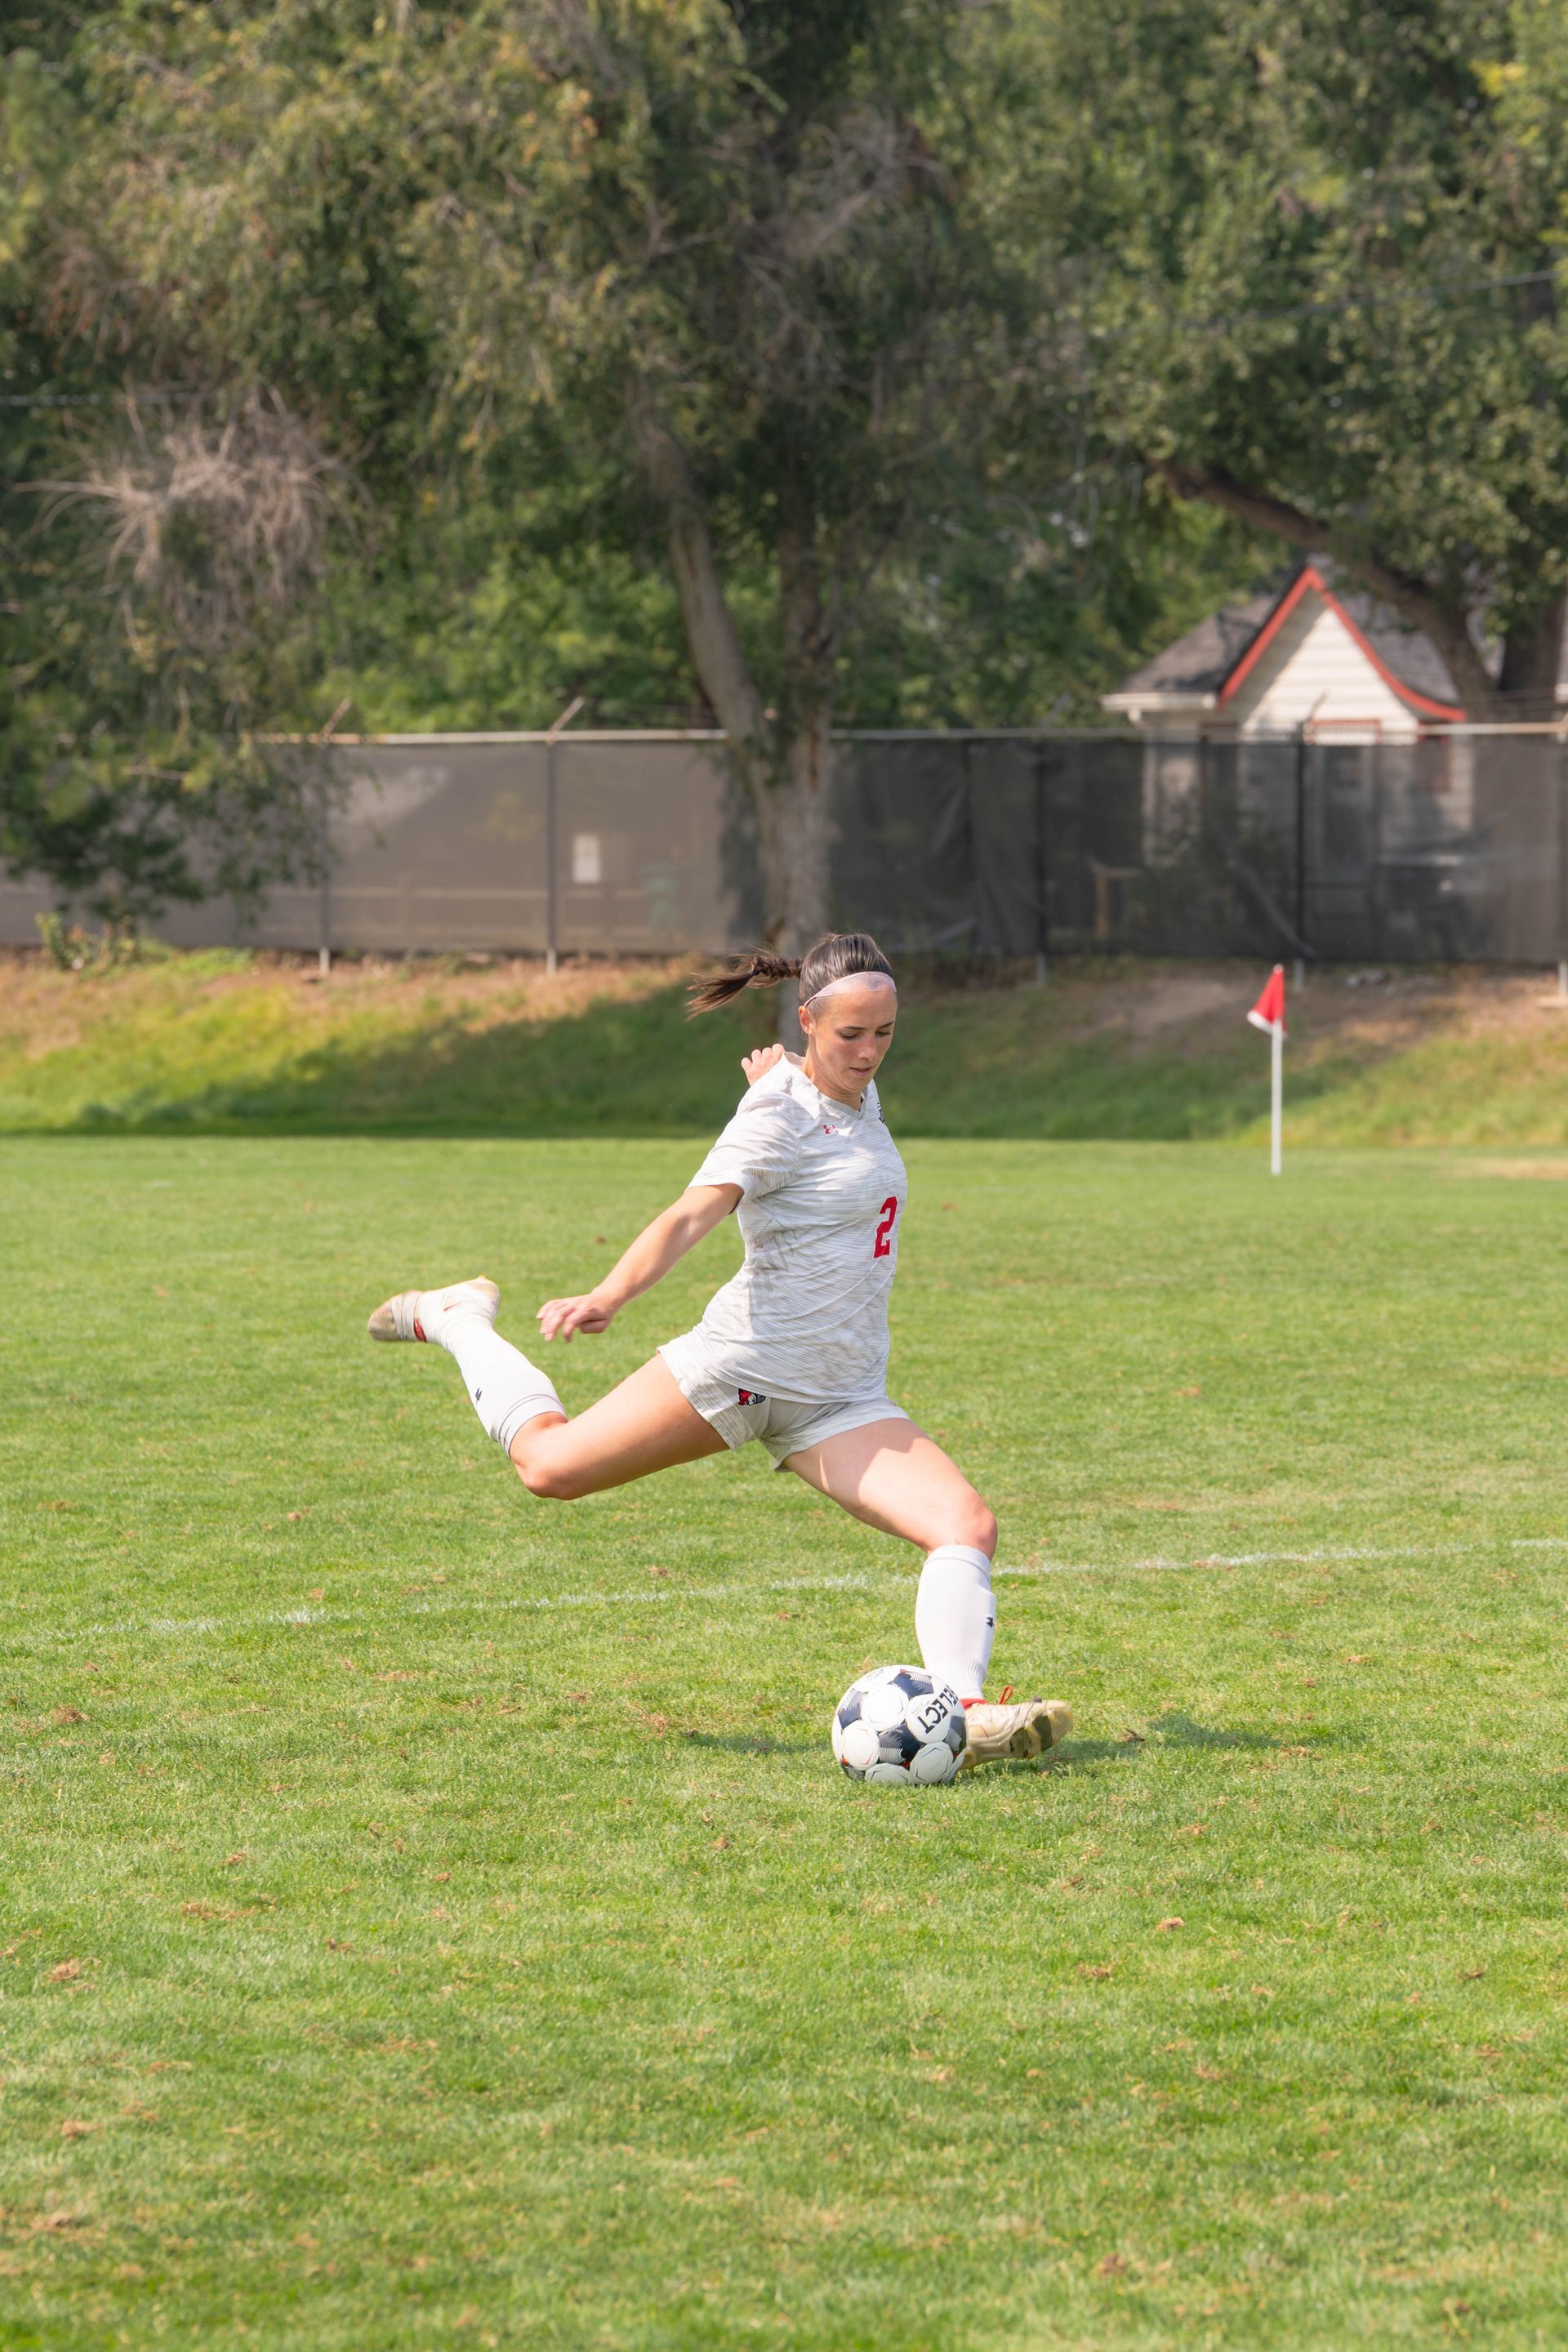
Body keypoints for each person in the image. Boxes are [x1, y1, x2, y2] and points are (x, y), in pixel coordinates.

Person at [367, 930, 1070, 1768]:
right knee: (549, 1470)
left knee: (965, 1524)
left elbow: (825, 1110)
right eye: (850, 1035)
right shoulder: (776, 1115)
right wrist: (609, 1294)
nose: (870, 1052)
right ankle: (458, 1319)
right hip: (739, 1370)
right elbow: (688, 1215)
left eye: (885, 1033)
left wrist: (783, 1073)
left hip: (840, 1398)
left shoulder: (849, 1095)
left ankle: (967, 1712)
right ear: (808, 1020)